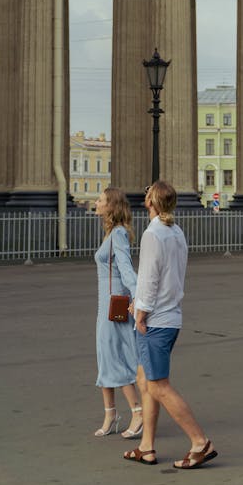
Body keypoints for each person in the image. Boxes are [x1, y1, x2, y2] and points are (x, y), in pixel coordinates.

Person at [123, 180, 217, 469]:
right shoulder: (175, 231)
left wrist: (140, 311)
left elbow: (149, 278)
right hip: (170, 315)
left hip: (156, 320)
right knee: (145, 382)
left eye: (148, 193)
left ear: (151, 202)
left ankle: (200, 442)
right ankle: (146, 447)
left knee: (159, 385)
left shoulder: (153, 234)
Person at [93, 187, 143, 439]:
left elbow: (126, 268)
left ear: (111, 206)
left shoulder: (119, 234)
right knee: (105, 354)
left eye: (101, 200)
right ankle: (110, 414)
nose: (96, 202)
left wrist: (138, 297)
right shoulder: (111, 233)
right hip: (106, 302)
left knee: (116, 355)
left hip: (115, 303)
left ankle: (138, 412)